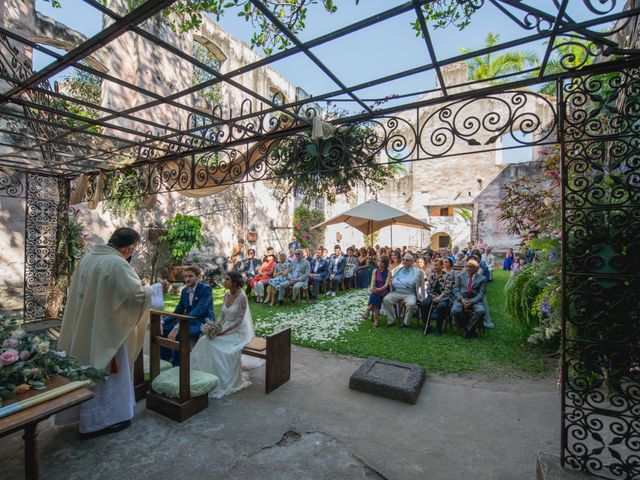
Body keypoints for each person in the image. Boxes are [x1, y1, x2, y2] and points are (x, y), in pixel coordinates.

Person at [55, 228, 152, 438]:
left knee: (84, 365)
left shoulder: (89, 257)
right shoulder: (116, 263)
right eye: (133, 248)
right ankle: (102, 420)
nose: (132, 252)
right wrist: (154, 291)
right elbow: (134, 296)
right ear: (127, 247)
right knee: (106, 375)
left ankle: (82, 414)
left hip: (87, 325)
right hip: (106, 332)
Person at [190, 271, 256, 398]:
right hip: (225, 327)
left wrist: (223, 332)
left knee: (217, 347)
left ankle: (221, 379)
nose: (224, 281)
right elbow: (221, 316)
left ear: (235, 282)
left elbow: (239, 320)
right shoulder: (226, 295)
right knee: (204, 340)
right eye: (224, 279)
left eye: (227, 279)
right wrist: (214, 326)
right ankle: (202, 374)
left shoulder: (242, 297)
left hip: (238, 331)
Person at [162, 265, 214, 365]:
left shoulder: (206, 290)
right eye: (185, 276)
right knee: (163, 329)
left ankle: (178, 364)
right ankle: (165, 361)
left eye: (190, 276)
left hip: (202, 322)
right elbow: (178, 310)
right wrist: (163, 321)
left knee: (180, 333)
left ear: (198, 277)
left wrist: (178, 326)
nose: (187, 279)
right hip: (187, 321)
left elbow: (198, 311)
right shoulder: (184, 291)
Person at [383, 253, 424, 328]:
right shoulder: (398, 269)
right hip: (397, 292)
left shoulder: (417, 271)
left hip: (410, 293)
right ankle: (391, 320)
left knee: (411, 304)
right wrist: (405, 282)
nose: (404, 261)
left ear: (412, 262)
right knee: (386, 299)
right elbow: (394, 282)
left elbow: (411, 283)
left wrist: (400, 281)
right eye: (403, 259)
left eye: (407, 260)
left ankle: (406, 323)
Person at [451, 259, 487, 338]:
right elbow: (456, 289)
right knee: (455, 310)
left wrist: (472, 301)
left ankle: (467, 329)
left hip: (474, 299)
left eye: (470, 267)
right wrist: (461, 299)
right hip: (462, 298)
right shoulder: (460, 276)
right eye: (467, 266)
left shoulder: (482, 279)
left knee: (481, 311)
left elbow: (481, 294)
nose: (468, 269)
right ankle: (470, 327)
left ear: (476, 269)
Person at [419, 258, 452, 336]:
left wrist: (439, 297)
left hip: (443, 296)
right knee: (424, 304)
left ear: (441, 266)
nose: (435, 267)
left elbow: (447, 290)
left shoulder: (447, 276)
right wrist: (433, 296)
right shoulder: (432, 276)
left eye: (437, 265)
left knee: (442, 306)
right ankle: (427, 325)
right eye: (434, 265)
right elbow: (429, 288)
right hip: (433, 295)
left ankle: (438, 328)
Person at [363, 255, 391, 327]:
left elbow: (386, 285)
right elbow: (372, 281)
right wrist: (372, 288)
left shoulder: (388, 272)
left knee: (377, 296)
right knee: (374, 295)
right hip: (376, 289)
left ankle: (368, 310)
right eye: (379, 261)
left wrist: (378, 289)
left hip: (384, 290)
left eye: (382, 262)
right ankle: (376, 319)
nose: (380, 263)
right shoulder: (375, 270)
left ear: (385, 263)